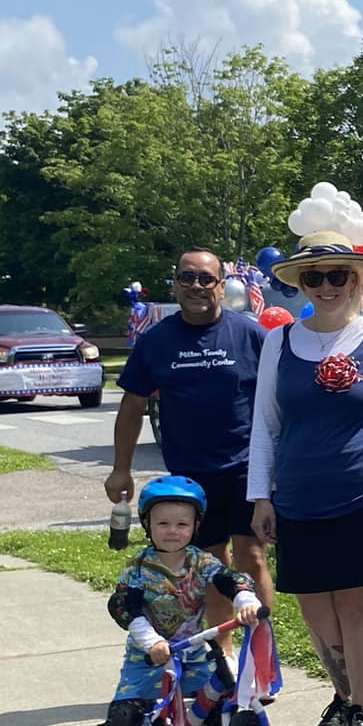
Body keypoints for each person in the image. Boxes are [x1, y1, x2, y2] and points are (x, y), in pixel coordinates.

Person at [247, 232, 363, 726]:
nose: (327, 285)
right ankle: (343, 697)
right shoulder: (279, 343)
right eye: (314, 276)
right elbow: (265, 427)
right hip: (297, 498)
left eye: (337, 275)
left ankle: (362, 708)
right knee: (314, 611)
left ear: (355, 279)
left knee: (352, 605)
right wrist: (261, 496)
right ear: (300, 282)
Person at [107, 248, 273, 642]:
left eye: (205, 278)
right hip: (190, 476)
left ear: (221, 284)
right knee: (210, 565)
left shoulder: (250, 335)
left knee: (251, 558)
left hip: (246, 468)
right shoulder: (156, 342)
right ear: (176, 284)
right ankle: (224, 652)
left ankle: (260, 652)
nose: (196, 286)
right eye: (187, 278)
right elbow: (132, 407)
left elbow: (283, 401)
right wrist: (120, 468)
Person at [71, 476, 263, 726]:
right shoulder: (138, 569)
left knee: (222, 686)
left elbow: (228, 578)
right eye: (162, 523)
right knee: (127, 713)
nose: (172, 530)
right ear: (147, 524)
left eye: (181, 524)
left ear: (195, 526)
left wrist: (244, 599)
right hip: (148, 656)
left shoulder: (200, 562)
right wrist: (149, 640)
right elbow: (122, 607)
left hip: (190, 650)